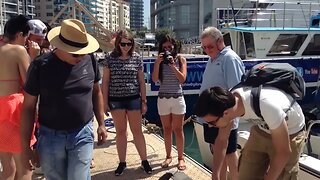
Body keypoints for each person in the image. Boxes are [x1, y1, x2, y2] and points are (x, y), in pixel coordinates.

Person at [20, 19, 108, 180]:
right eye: (76, 53)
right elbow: (28, 107)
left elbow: (96, 93)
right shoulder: (40, 66)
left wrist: (101, 124)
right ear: (61, 47)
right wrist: (26, 146)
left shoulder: (90, 60)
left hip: (83, 131)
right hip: (50, 136)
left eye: (83, 51)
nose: (81, 56)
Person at [194, 86, 306, 180]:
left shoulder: (267, 106)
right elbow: (221, 141)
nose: (210, 126)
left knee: (279, 176)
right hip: (262, 128)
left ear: (225, 113)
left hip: (290, 130)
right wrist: (215, 175)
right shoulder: (228, 102)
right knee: (244, 175)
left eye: (212, 122)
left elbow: (284, 152)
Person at [101, 29, 152, 176]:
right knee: (121, 132)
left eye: (129, 44)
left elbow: (141, 81)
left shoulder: (136, 58)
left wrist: (144, 101)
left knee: (137, 131)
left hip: (133, 99)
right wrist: (104, 103)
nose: (126, 47)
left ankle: (144, 161)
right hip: (116, 101)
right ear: (118, 43)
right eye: (123, 44)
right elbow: (105, 82)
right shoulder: (109, 58)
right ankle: (122, 162)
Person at [199, 26, 245, 180]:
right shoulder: (213, 59)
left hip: (224, 118)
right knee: (217, 150)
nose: (207, 50)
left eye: (210, 46)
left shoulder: (229, 58)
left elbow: (236, 90)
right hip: (212, 117)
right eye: (204, 47)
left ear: (220, 41)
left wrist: (228, 119)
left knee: (230, 153)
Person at [0, 14, 36, 180]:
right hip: (13, 113)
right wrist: (33, 57)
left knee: (8, 169)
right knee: (25, 168)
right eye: (26, 37)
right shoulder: (18, 50)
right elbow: (30, 83)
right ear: (21, 34)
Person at [151, 34, 187, 170]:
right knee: (166, 129)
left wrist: (172, 66)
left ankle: (181, 158)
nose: (167, 49)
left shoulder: (180, 59)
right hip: (163, 98)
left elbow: (182, 79)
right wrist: (158, 63)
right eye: (164, 47)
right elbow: (154, 79)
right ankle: (168, 156)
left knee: (178, 129)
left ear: (174, 47)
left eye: (169, 46)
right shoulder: (159, 61)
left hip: (177, 98)